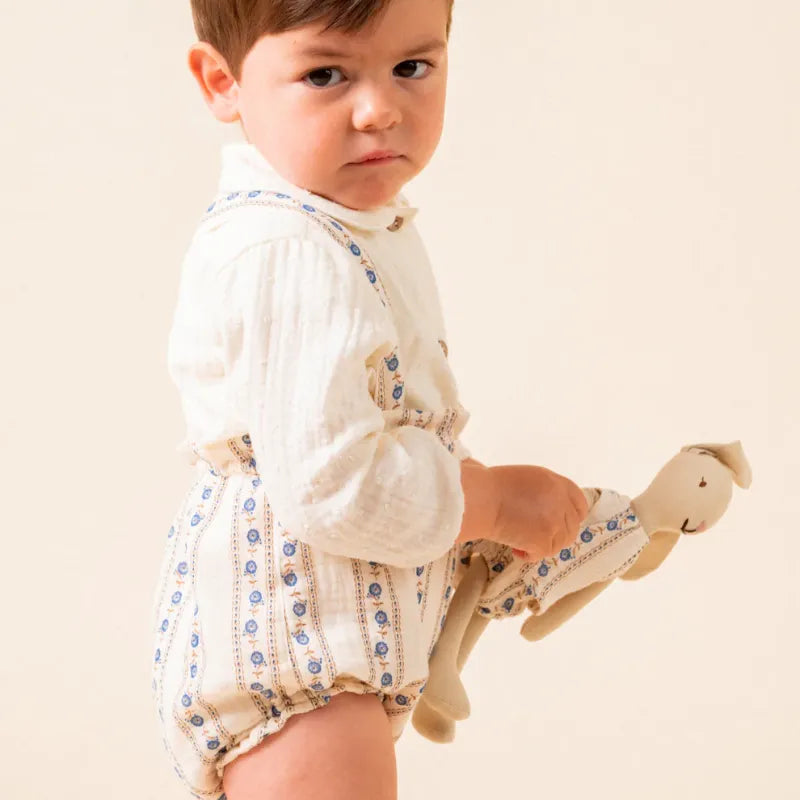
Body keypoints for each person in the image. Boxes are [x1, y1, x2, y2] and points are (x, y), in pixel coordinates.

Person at [149, 0, 589, 798]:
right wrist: (484, 499)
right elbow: (332, 484)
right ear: (224, 82)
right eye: (325, 74)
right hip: (292, 654)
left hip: (333, 639)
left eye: (412, 68)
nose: (380, 108)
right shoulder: (286, 250)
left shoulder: (342, 225)